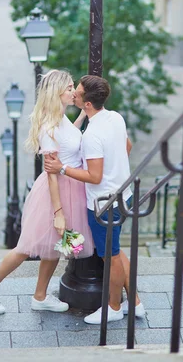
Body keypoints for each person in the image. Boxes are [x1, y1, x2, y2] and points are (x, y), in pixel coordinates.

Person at [0, 70, 94, 315]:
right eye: (70, 87)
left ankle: (40, 296)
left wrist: (83, 115)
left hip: (70, 187)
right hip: (56, 191)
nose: (74, 91)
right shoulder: (49, 126)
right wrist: (58, 211)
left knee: (54, 247)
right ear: (58, 91)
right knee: (27, 247)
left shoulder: (60, 118)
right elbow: (51, 172)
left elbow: (69, 138)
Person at [45, 74, 144, 325]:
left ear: (87, 104)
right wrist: (116, 168)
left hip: (104, 205)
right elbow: (127, 147)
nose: (74, 94)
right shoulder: (115, 118)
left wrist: (62, 169)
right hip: (125, 195)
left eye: (77, 92)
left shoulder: (91, 136)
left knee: (109, 256)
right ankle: (135, 302)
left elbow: (94, 176)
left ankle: (113, 307)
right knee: (117, 253)